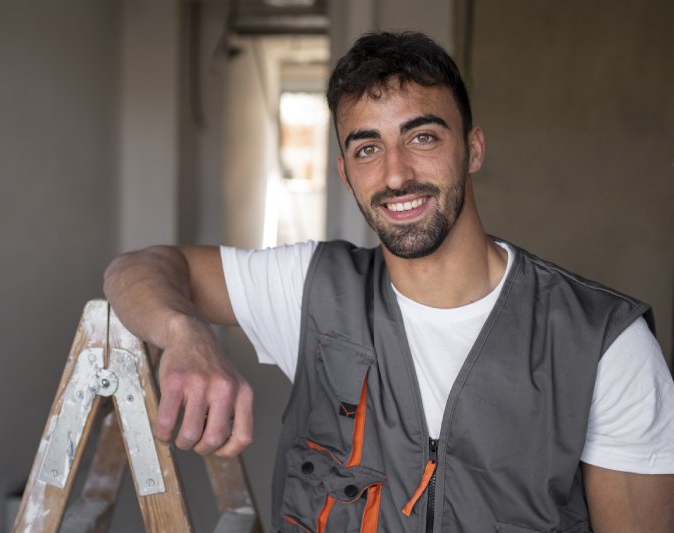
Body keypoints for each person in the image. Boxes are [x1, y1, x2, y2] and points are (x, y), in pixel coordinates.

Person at [104, 31, 674, 533]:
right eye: (368, 148)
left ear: (472, 148)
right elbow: (139, 268)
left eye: (422, 137)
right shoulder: (308, 286)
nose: (396, 174)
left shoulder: (603, 345)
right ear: (345, 172)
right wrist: (184, 334)